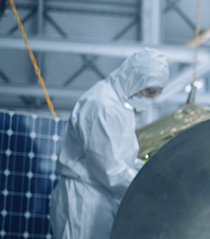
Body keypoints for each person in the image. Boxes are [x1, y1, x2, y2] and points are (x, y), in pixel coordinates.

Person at [50, 48, 169, 239]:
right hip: (84, 200)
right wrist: (149, 187)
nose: (149, 98)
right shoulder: (101, 104)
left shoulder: (121, 106)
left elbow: (123, 159)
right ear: (134, 77)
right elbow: (110, 170)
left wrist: (150, 171)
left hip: (101, 196)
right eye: (149, 91)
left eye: (155, 93)